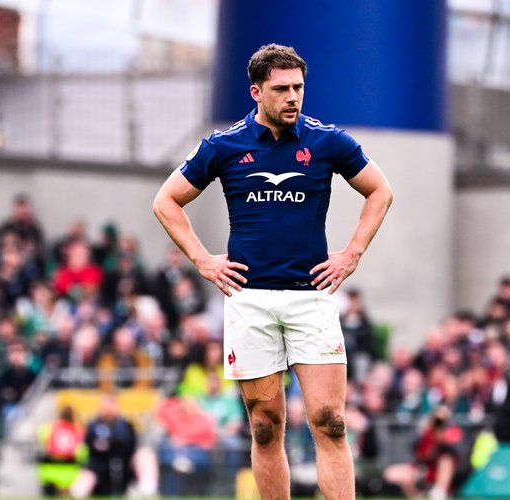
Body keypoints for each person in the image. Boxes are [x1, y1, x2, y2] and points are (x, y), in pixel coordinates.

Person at [153, 43, 393, 499]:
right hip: (250, 300)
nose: (293, 97)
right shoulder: (223, 145)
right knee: (265, 426)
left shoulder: (328, 142)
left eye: (298, 87)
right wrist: (203, 260)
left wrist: (352, 253)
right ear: (256, 92)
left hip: (311, 296)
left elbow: (380, 190)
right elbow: (166, 201)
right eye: (281, 89)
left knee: (331, 420)